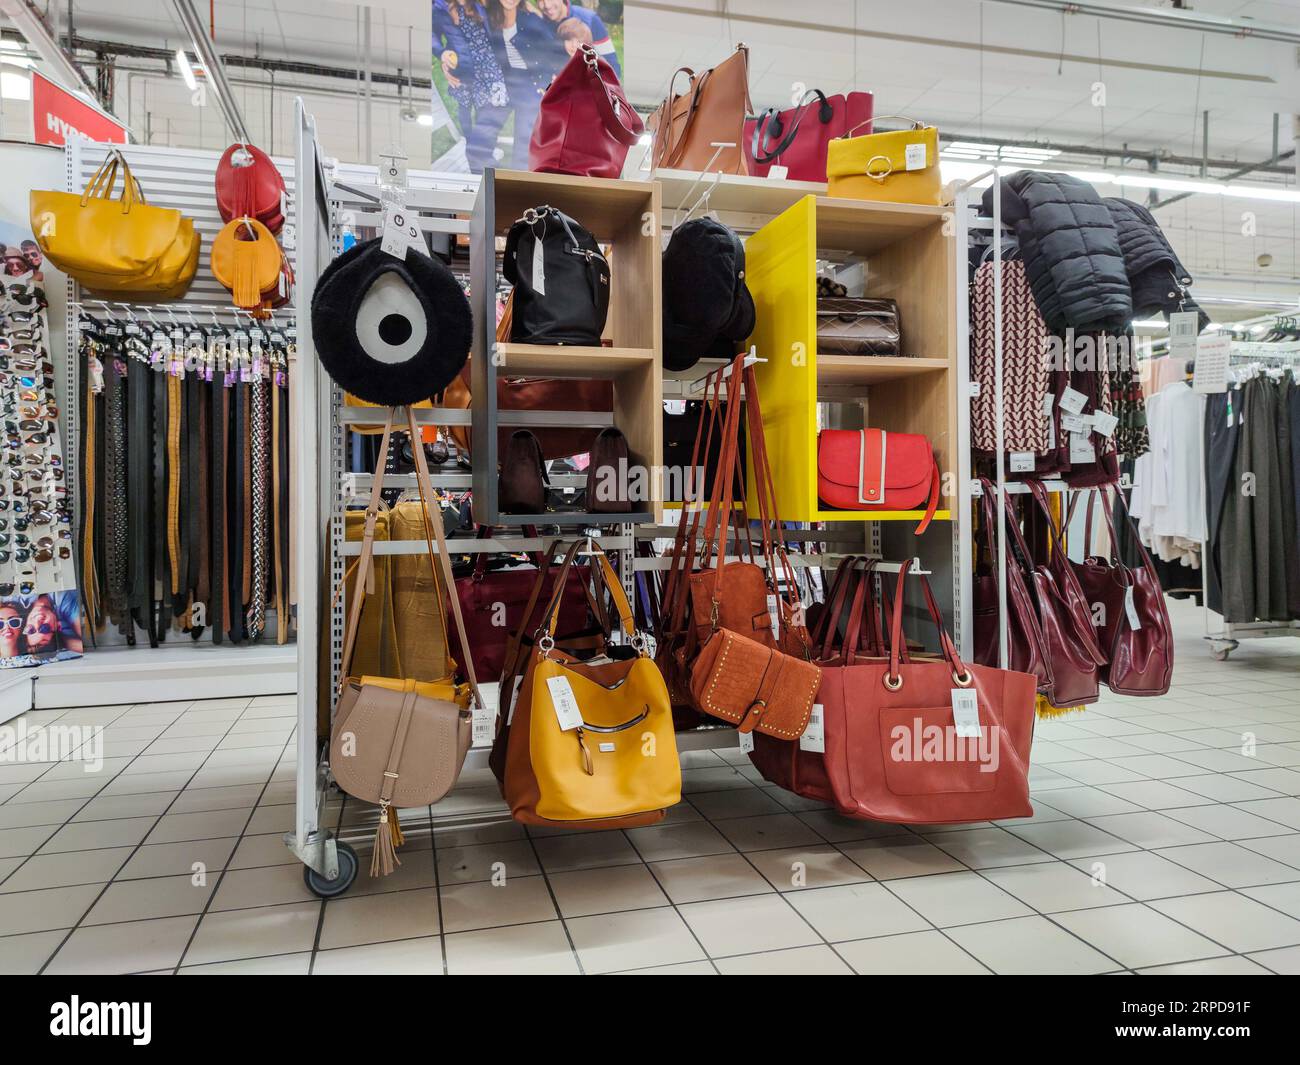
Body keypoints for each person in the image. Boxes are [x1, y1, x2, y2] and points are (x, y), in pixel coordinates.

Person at [485, 0, 568, 170]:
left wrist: (548, 82)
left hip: (530, 83)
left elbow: (554, 52)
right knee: (484, 129)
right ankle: (488, 176)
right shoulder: (488, 18)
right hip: (503, 83)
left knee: (524, 136)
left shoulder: (531, 19)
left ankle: (519, 179)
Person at [433, 0, 511, 173]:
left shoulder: (480, 5)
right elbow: (433, 34)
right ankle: (474, 147)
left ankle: (481, 155)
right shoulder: (443, 9)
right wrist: (442, 54)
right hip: (466, 71)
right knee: (466, 108)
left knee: (486, 115)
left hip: (490, 70)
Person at [538, 0, 620, 77]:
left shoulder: (590, 19)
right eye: (540, 0)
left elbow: (613, 67)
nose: (547, 5)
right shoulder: (539, 24)